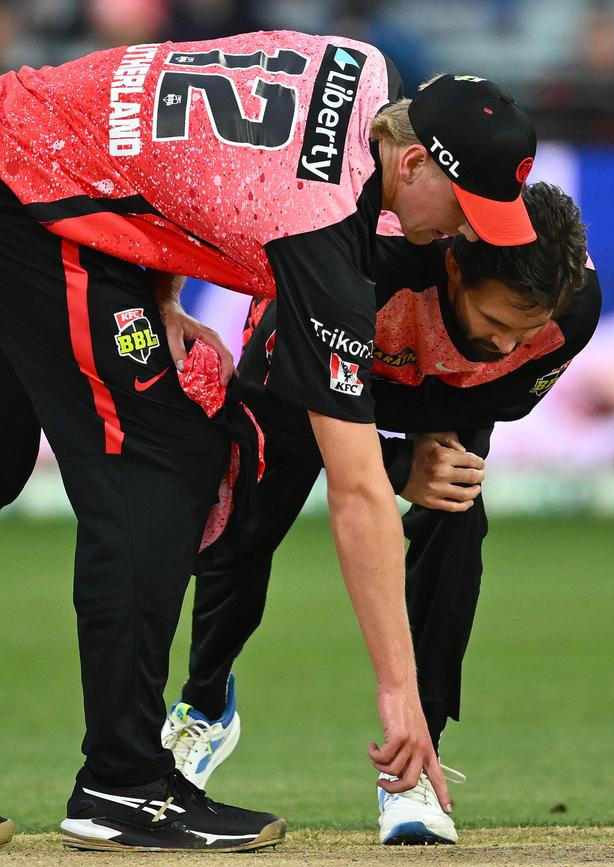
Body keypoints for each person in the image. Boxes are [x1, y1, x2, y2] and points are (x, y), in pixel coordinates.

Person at [0, 30, 537, 851]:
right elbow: (358, 489)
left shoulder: (361, 66)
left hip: (42, 164)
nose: (467, 233)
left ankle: (124, 778)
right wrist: (402, 698)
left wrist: (158, 283)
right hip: (31, 196)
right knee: (163, 460)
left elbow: (167, 112)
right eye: (468, 210)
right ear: (418, 165)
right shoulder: (324, 230)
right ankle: (120, 785)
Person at [161, 182, 601, 845]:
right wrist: (394, 467)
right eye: (499, 320)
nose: (511, 343)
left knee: (455, 514)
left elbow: (502, 393)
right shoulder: (364, 263)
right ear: (455, 265)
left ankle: (416, 762)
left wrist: (428, 447)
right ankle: (205, 700)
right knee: (244, 521)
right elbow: (274, 398)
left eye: (527, 329)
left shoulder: (573, 313)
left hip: (443, 394)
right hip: (311, 370)